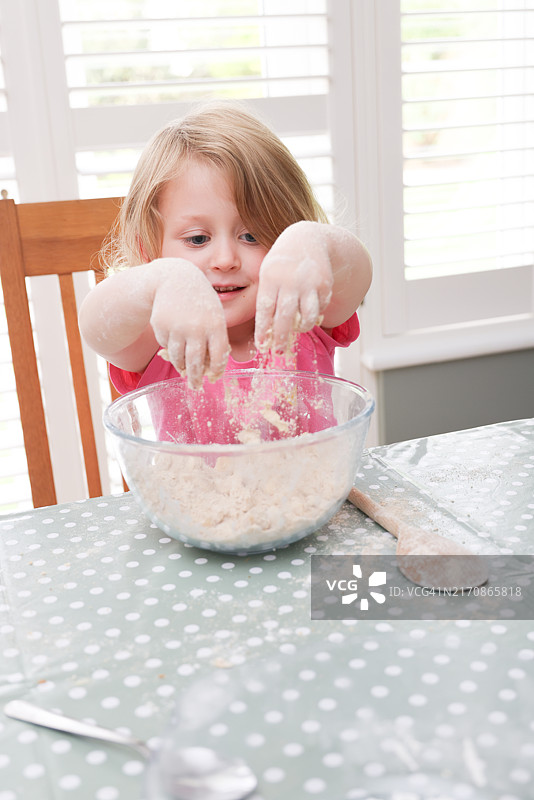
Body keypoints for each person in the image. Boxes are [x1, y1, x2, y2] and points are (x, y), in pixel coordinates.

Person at [79, 101, 372, 395]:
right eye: (197, 239)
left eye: (252, 236)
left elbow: (356, 273)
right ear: (149, 251)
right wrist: (161, 280)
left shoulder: (303, 313)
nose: (225, 260)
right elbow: (96, 327)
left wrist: (312, 241)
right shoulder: (158, 340)